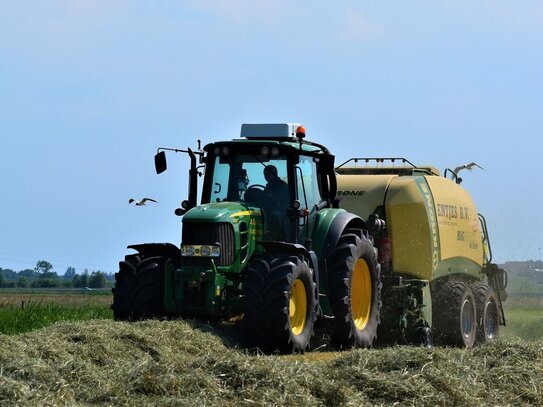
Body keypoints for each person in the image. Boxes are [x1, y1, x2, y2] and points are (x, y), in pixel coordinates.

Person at [263, 165, 291, 240]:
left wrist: (269, 198)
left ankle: (275, 239)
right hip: (268, 213)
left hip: (282, 215)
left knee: (274, 216)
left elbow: (279, 202)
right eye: (265, 174)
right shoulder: (268, 187)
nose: (266, 176)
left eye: (268, 174)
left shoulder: (283, 186)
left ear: (274, 173)